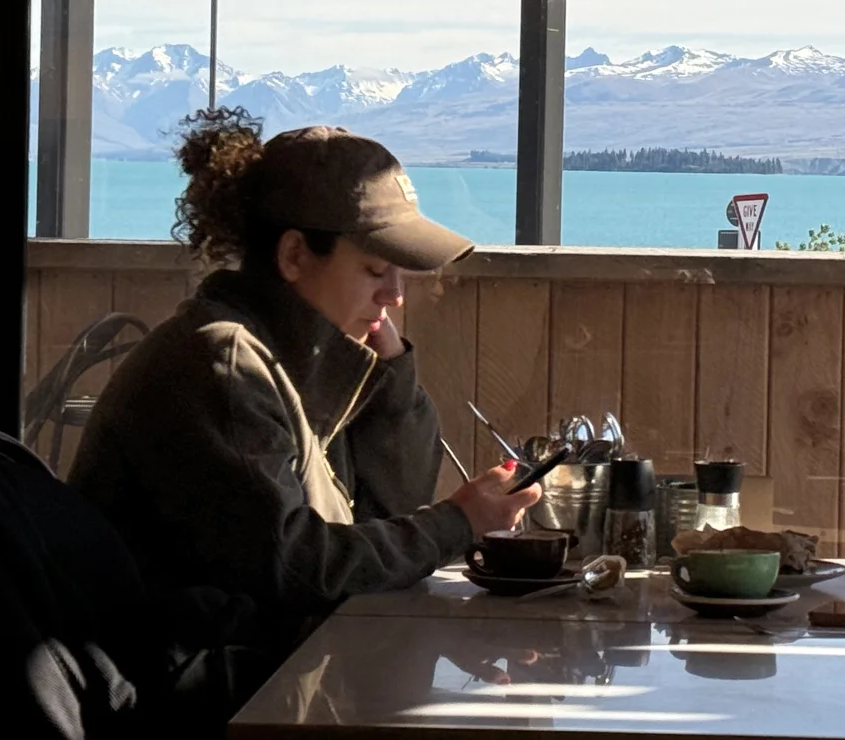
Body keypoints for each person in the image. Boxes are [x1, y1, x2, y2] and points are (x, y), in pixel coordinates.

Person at [69, 108, 538, 675]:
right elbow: (295, 570)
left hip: (279, 671)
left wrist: (390, 380)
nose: (395, 295)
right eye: (373, 270)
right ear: (293, 255)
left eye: (401, 274)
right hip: (208, 700)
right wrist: (460, 522)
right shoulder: (223, 364)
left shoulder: (302, 357)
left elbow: (388, 514)